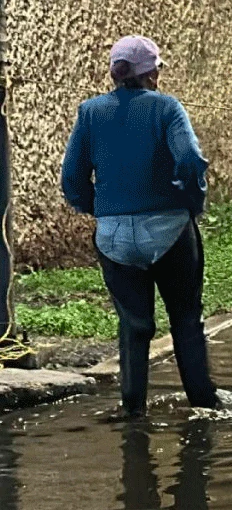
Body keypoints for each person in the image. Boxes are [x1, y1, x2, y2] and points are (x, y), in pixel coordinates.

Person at [61, 35, 219, 418]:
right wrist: (191, 204)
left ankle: (133, 409)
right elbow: (190, 162)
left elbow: (71, 179)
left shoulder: (90, 112)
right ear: (152, 73)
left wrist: (98, 209)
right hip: (169, 231)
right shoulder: (167, 108)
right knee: (185, 319)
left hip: (113, 235)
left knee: (134, 324)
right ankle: (204, 404)